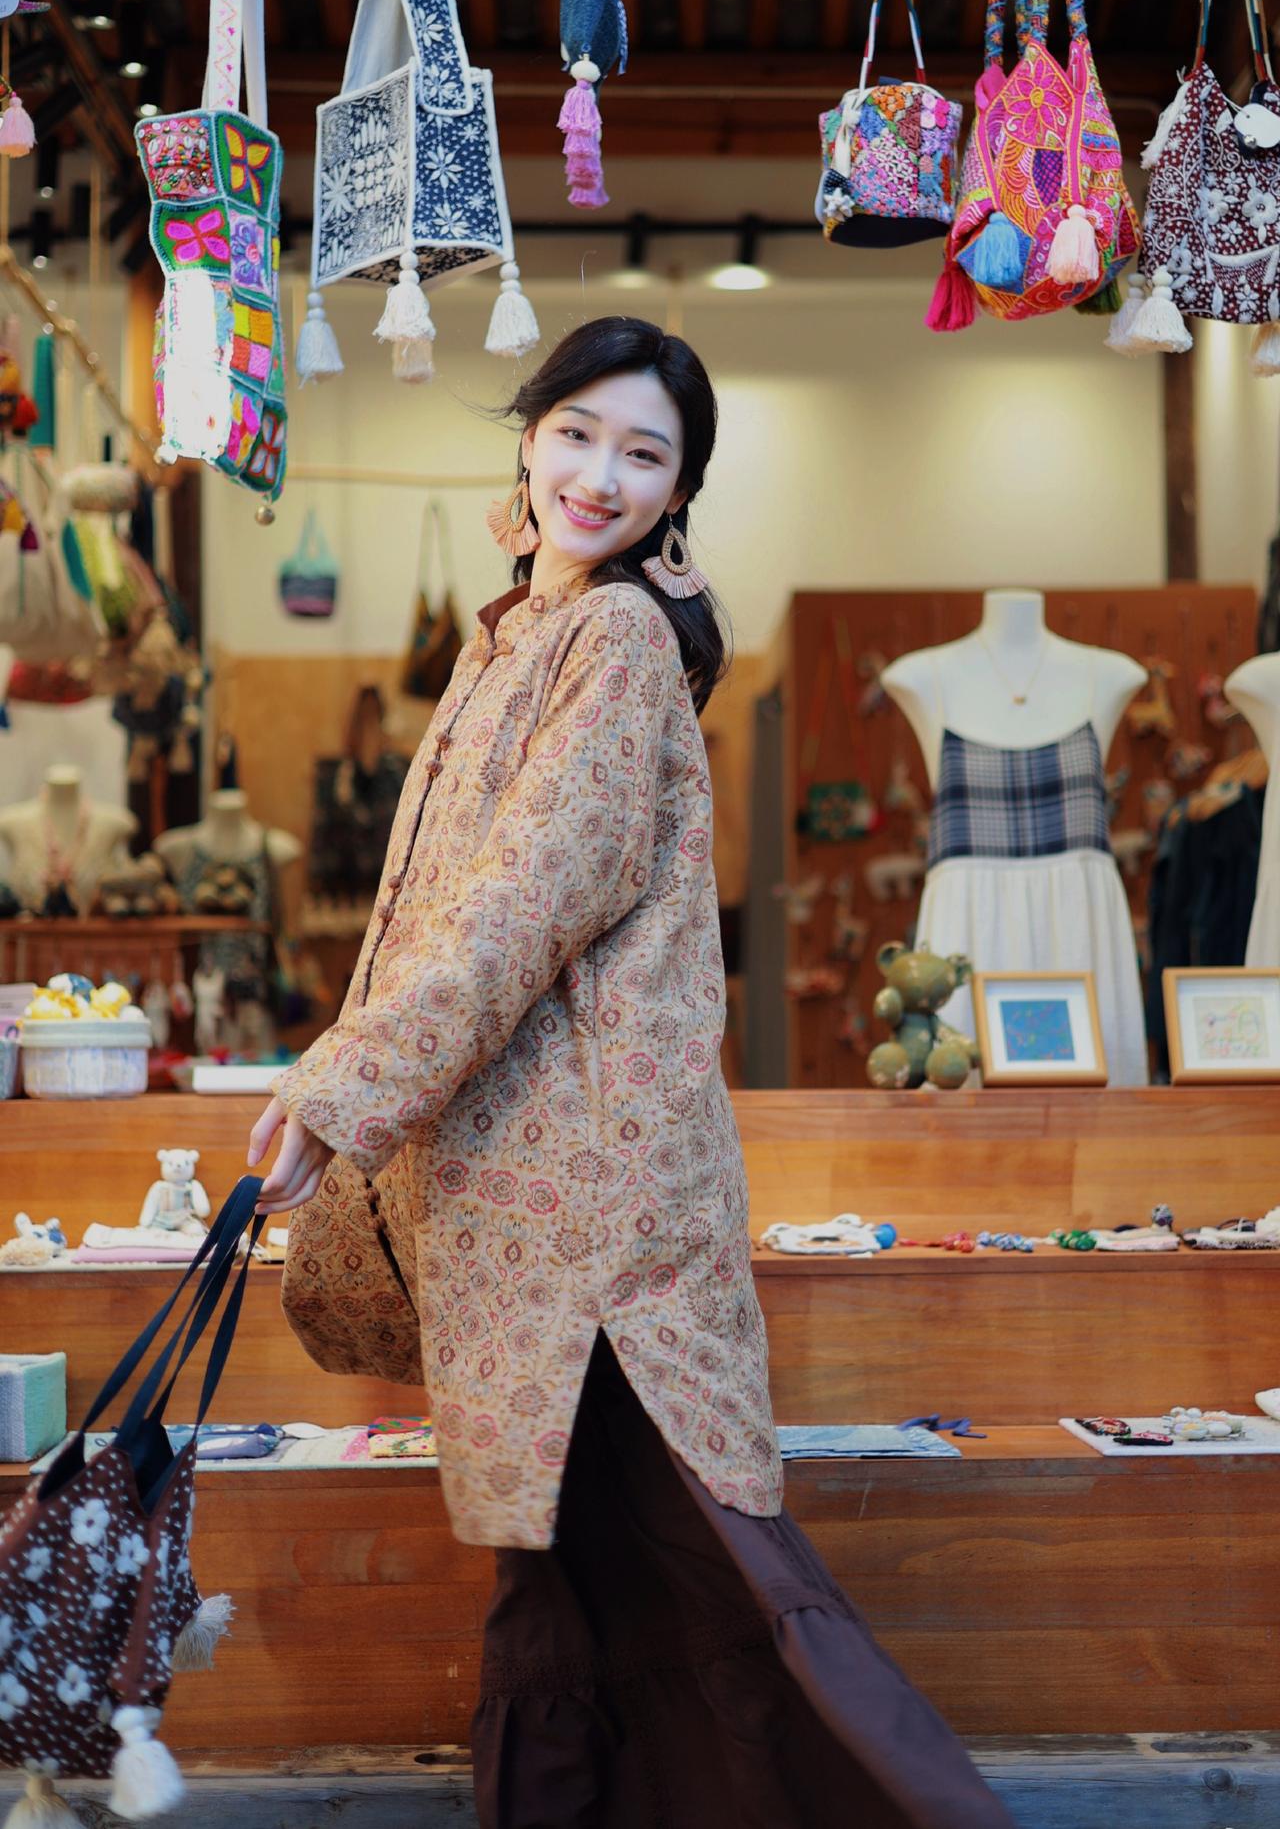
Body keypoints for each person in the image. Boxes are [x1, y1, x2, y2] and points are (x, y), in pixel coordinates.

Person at [247, 317, 1011, 1829]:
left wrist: (340, 1088)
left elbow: (523, 900)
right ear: (529, 438)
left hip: (592, 1203)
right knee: (573, 1562)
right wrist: (348, 1088)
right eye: (577, 433)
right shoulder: (512, 634)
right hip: (518, 1191)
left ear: (679, 493)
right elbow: (439, 916)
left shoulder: (615, 640)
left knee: (698, 1555)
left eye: (645, 454)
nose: (601, 475)